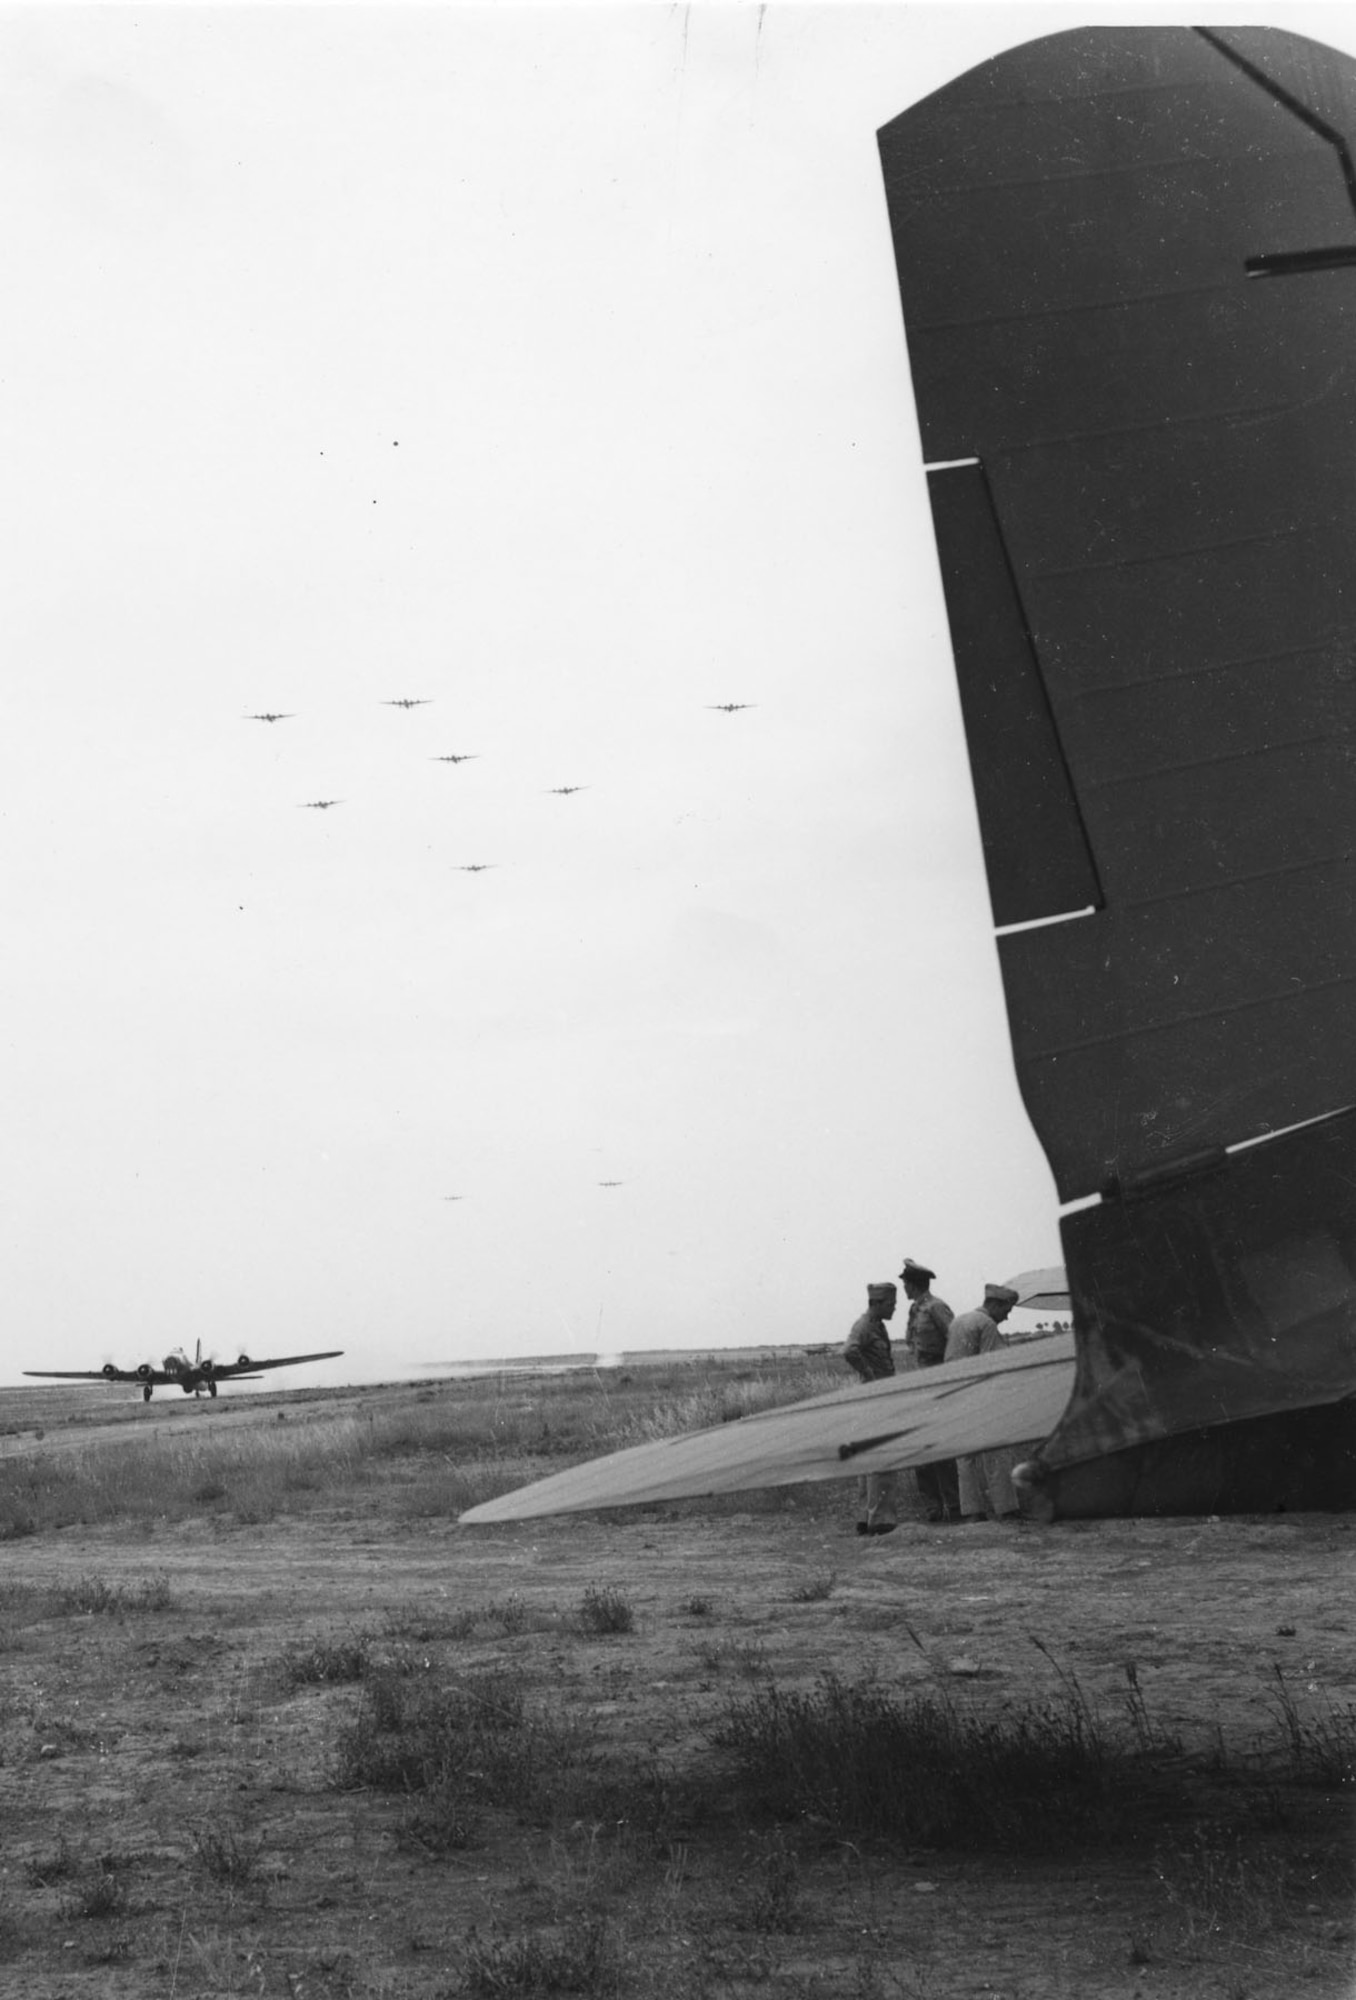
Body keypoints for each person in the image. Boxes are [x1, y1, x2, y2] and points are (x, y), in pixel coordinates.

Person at [945, 1282, 1023, 1521]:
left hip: (958, 1396)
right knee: (997, 1453)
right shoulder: (987, 1324)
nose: (1007, 1317)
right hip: (982, 1398)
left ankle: (972, 1512)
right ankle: (1007, 1509)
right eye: (1006, 1311)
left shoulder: (959, 1321)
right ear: (996, 1304)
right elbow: (993, 1366)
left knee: (965, 1458)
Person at [899, 1259, 960, 1522]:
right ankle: (933, 1508)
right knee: (922, 1448)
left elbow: (956, 1341)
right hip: (922, 1387)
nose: (903, 1288)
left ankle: (954, 1506)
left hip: (940, 1384)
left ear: (914, 1284)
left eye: (905, 1284)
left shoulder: (937, 1307)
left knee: (943, 1447)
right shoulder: (915, 1310)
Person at [843, 1282, 899, 1535]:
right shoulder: (864, 1325)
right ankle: (880, 1520)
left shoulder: (877, 1325)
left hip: (880, 1398)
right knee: (880, 1456)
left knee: (869, 1458)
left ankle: (867, 1517)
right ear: (876, 1303)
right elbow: (849, 1350)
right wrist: (870, 1376)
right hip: (875, 1399)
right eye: (890, 1304)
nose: (894, 1308)